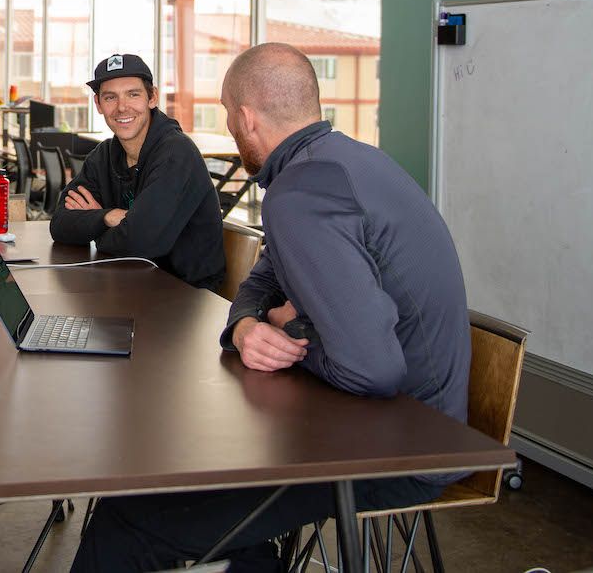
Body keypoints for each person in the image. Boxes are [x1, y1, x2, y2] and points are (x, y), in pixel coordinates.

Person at [70, 43, 471, 572]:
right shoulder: (340, 162)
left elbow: (372, 370)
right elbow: (262, 278)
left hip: (395, 451)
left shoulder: (301, 192)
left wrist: (297, 334)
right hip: (386, 422)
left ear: (245, 118)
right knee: (172, 491)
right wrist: (244, 325)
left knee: (127, 520)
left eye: (228, 117)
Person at [49, 53, 225, 290]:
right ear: (98, 105)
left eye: (133, 94)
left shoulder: (176, 154)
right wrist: (108, 216)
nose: (122, 107)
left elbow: (141, 244)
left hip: (188, 297)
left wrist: (97, 231)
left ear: (152, 98)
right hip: (132, 286)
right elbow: (60, 224)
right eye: (110, 97)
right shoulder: (104, 155)